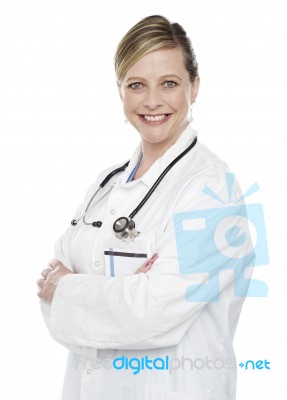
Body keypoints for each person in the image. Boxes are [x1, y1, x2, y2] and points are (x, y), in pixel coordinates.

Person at [37, 15, 253, 400]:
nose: (152, 101)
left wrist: (70, 287)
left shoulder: (211, 189)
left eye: (169, 83)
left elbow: (154, 314)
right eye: (136, 85)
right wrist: (123, 288)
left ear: (194, 87)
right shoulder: (105, 185)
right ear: (121, 91)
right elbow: (49, 293)